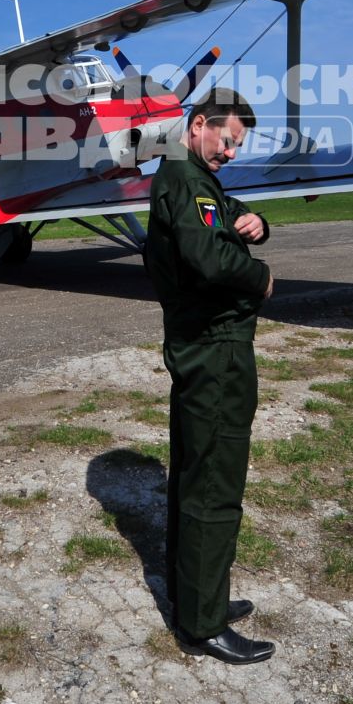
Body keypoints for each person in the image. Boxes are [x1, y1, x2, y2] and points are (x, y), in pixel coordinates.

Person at [144, 87, 276, 665]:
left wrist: (257, 224)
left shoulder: (188, 175)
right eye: (227, 140)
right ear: (199, 125)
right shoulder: (188, 178)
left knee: (195, 474)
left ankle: (198, 596)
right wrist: (261, 277)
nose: (230, 153)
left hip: (201, 343)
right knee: (213, 482)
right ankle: (202, 623)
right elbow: (209, 259)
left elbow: (221, 228)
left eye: (237, 146)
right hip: (214, 348)